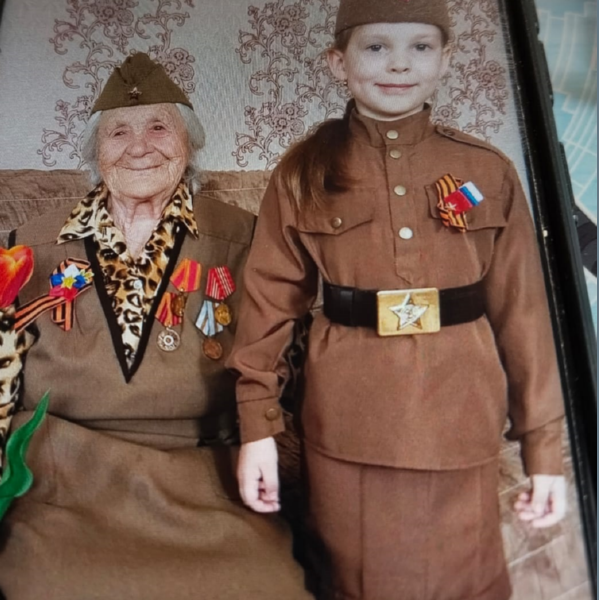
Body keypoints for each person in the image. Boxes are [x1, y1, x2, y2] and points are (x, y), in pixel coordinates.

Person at [0, 53, 313, 600]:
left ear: (189, 143)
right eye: (118, 132)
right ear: (96, 152)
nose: (139, 146)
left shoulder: (246, 239)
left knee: (266, 587)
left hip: (206, 483)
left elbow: (287, 362)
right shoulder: (30, 246)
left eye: (158, 127)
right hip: (58, 482)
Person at [226, 1, 567, 599]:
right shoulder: (303, 172)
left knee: (470, 582)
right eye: (376, 46)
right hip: (349, 423)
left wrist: (544, 450)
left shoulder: (487, 171)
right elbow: (267, 305)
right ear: (339, 62)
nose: (399, 64)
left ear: (446, 60)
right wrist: (257, 428)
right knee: (356, 580)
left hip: (462, 415)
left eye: (421, 47)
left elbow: (525, 316)